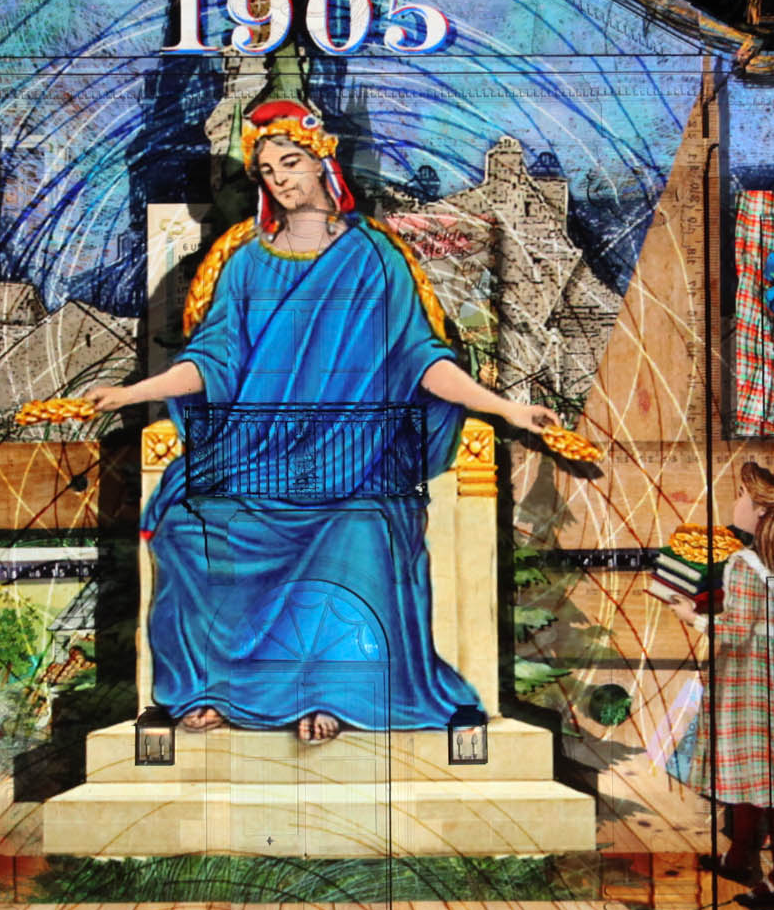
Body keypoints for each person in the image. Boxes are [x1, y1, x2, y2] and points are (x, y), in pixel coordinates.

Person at [84, 100, 555, 741]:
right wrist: (131, 392)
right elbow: (212, 361)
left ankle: (330, 695)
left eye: (290, 162)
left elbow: (421, 360)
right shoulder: (246, 263)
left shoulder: (373, 258)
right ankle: (218, 690)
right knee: (189, 531)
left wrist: (505, 408)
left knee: (358, 527)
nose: (280, 178)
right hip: (261, 455)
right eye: (267, 170)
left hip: (354, 459)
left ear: (321, 161)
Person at [653, 447, 774, 910]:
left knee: (758, 769)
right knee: (771, 769)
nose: (736, 502)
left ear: (761, 508)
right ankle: (742, 856)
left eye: (741, 495)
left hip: (748, 672)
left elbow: (736, 630)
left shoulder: (745, 563)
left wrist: (691, 614)